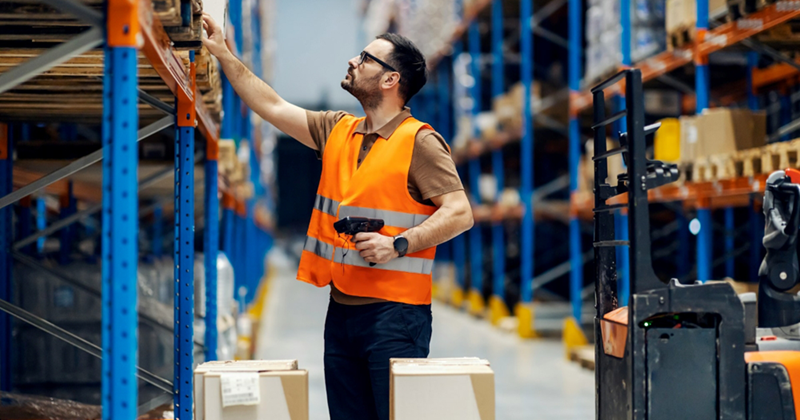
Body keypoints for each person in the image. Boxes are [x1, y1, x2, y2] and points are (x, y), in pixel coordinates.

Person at [202, 13, 474, 420]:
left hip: (396, 318)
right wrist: (223, 53)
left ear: (389, 81)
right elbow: (272, 105)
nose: (352, 60)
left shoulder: (420, 142)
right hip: (342, 313)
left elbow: (460, 213)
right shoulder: (338, 130)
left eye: (365, 58)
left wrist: (398, 243)